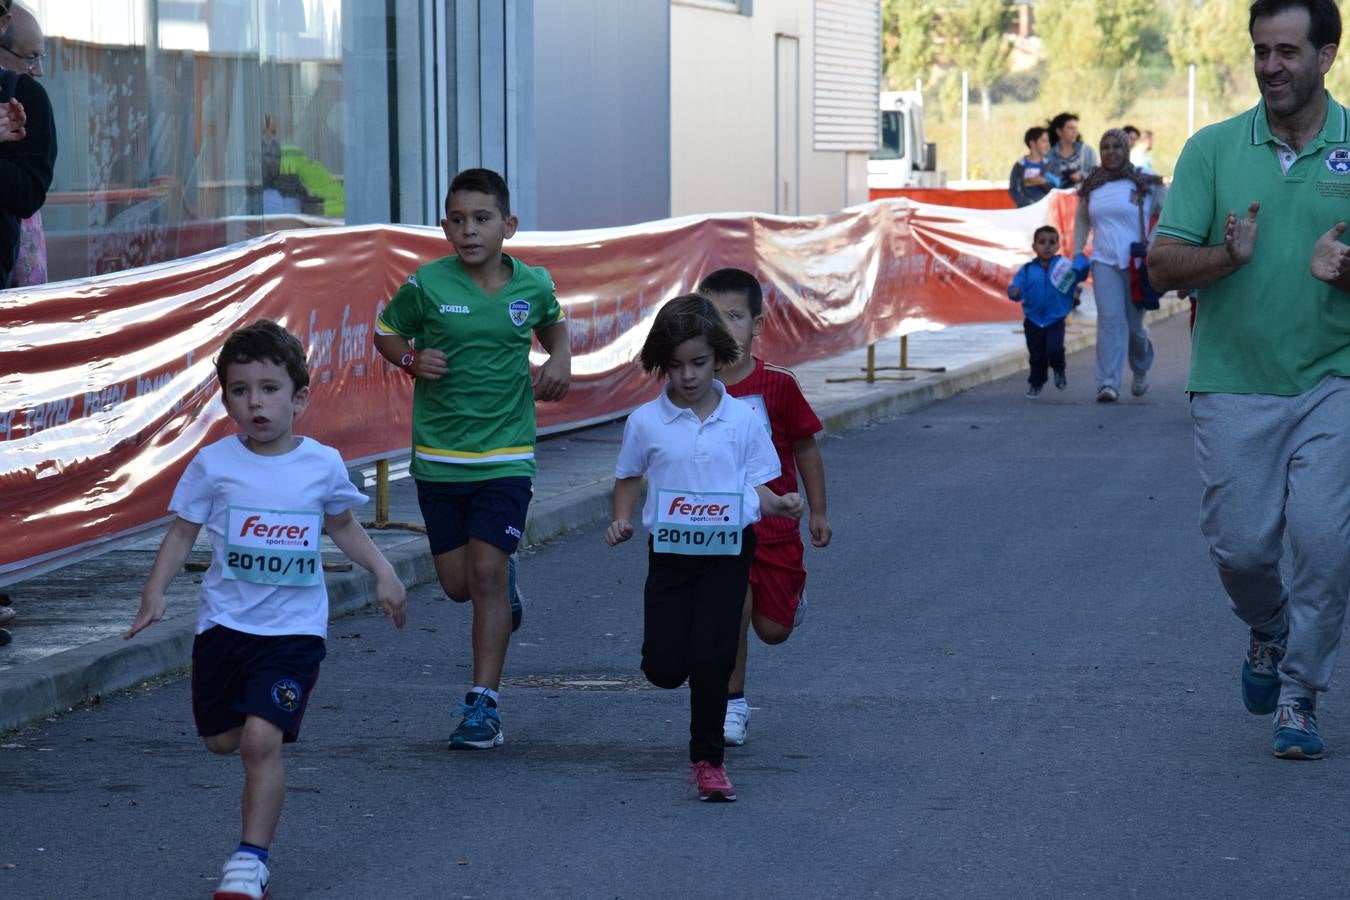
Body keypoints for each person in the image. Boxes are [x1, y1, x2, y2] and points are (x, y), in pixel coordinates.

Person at [125, 320, 408, 900]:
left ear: (299, 397)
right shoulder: (214, 465)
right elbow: (182, 534)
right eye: (239, 389)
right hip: (225, 627)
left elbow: (343, 525)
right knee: (222, 741)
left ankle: (249, 863)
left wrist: (383, 571)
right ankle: (249, 830)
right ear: (225, 397)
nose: (255, 401)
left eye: (269, 388)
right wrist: (154, 593)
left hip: (294, 633)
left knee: (260, 741)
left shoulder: (321, 465)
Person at [1148, 0, 1350, 760]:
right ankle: (1268, 630)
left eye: (1288, 51)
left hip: (1336, 377)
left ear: (1326, 56)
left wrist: (1346, 271)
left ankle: (1300, 697)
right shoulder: (1212, 149)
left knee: (1326, 546)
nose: (1271, 66)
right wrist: (1227, 258)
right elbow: (1163, 265)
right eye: (1262, 50)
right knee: (1241, 552)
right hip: (1233, 382)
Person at [373, 167, 570, 750]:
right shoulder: (427, 285)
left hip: (507, 453)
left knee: (483, 572)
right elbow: (386, 334)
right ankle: (503, 582)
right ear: (443, 226)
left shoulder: (531, 285)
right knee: (459, 586)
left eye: (482, 218)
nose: (469, 230)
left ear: (507, 225)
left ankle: (483, 705)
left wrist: (560, 359)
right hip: (438, 458)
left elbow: (554, 325)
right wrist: (411, 362)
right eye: (457, 219)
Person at [604, 294, 803, 801]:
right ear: (660, 366)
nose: (687, 376)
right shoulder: (646, 422)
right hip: (670, 557)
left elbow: (757, 484)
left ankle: (708, 761)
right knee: (665, 668)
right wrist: (622, 519)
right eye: (675, 366)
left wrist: (780, 505)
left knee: (714, 659)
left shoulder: (743, 420)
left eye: (698, 363)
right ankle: (688, 662)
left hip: (728, 554)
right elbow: (628, 476)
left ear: (719, 358)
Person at [698, 268, 831, 747]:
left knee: (772, 629)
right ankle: (731, 704)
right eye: (711, 314)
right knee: (732, 603)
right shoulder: (692, 385)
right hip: (717, 527)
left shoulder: (777, 384)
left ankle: (791, 598)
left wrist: (817, 511)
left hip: (776, 525)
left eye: (733, 315)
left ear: (756, 325)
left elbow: (806, 447)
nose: (721, 324)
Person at [1073, 127, 1167, 402]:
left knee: (1135, 327)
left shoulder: (1145, 182)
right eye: (1106, 147)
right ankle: (1108, 383)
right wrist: (1077, 252)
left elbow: (1167, 213)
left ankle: (1140, 369)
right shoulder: (1092, 184)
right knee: (1110, 321)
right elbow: (1081, 221)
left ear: (1126, 149)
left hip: (1137, 264)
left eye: (1116, 146)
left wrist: (1153, 242)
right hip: (1103, 261)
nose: (1111, 152)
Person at [0, 0, 54, 290]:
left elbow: (29, 194)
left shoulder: (25, 96)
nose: (39, 70)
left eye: (40, 57)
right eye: (31, 58)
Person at [1007, 225, 1090, 397]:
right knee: (1036, 355)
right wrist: (1014, 292)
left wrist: (1082, 262)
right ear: (1034, 246)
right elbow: (1016, 288)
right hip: (1033, 319)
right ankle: (1036, 383)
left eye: (1052, 242)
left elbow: (1079, 275)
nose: (1047, 246)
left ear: (1058, 246)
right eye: (1042, 242)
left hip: (1055, 318)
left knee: (1054, 349)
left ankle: (1059, 369)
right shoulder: (1027, 270)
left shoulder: (1064, 266)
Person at [1008, 126, 1061, 208]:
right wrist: (1028, 205)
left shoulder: (1052, 165)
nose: (1048, 145)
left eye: (1048, 141)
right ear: (1032, 143)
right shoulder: (1019, 166)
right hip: (1024, 212)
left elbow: (1058, 190)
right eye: (1044, 141)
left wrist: (1043, 183)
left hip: (1046, 212)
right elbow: (1014, 191)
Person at [1045, 112, 1097, 188]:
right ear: (1059, 131)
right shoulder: (1049, 155)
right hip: (1060, 198)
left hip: (1085, 197)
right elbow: (1047, 181)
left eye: (1076, 128)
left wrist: (1082, 176)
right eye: (1070, 128)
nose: (1075, 132)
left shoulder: (1088, 152)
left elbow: (1097, 175)